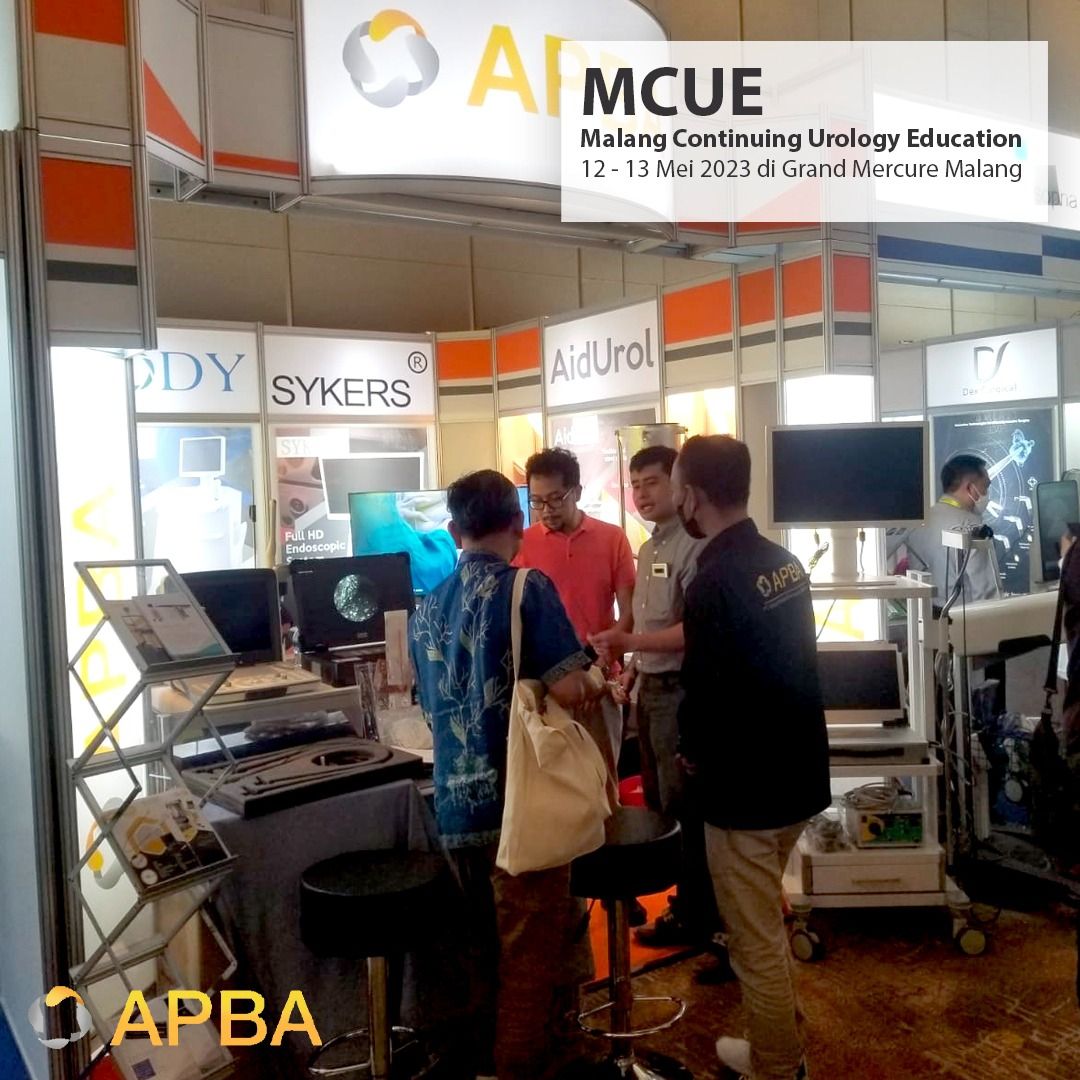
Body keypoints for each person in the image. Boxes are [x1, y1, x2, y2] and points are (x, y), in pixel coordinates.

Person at [408, 469, 599, 1080]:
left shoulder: (424, 608)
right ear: (518, 523)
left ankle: (490, 1061)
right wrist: (593, 682)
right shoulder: (527, 587)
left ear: (452, 531)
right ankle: (521, 1067)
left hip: (453, 807)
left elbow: (427, 705)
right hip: (522, 801)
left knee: (481, 952)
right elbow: (568, 687)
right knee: (530, 960)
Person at [673, 435, 830, 1080]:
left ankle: (776, 1067)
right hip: (797, 774)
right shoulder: (783, 562)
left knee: (754, 941)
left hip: (745, 790)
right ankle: (777, 1044)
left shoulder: (712, 581)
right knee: (765, 920)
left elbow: (707, 688)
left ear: (693, 496)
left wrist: (690, 752)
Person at [590, 444, 718, 950]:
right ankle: (686, 907)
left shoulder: (695, 547)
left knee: (685, 805)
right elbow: (645, 623)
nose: (641, 494)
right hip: (648, 690)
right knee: (660, 799)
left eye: (652, 482)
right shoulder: (649, 548)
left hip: (681, 693)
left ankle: (696, 915)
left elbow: (694, 631)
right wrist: (627, 662)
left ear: (679, 485)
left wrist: (630, 641)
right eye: (635, 484)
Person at [516, 446, 636, 778]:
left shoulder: (612, 538)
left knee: (605, 783)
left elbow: (629, 614)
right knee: (555, 792)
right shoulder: (522, 544)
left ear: (577, 492)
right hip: (545, 691)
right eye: (537, 501)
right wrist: (563, 679)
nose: (546, 510)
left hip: (602, 683)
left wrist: (597, 671)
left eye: (555, 499)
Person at [905, 454, 1001, 606]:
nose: (987, 494)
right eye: (985, 486)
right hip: (962, 616)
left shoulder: (920, 522)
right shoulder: (973, 527)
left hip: (924, 613)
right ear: (970, 488)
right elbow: (986, 593)